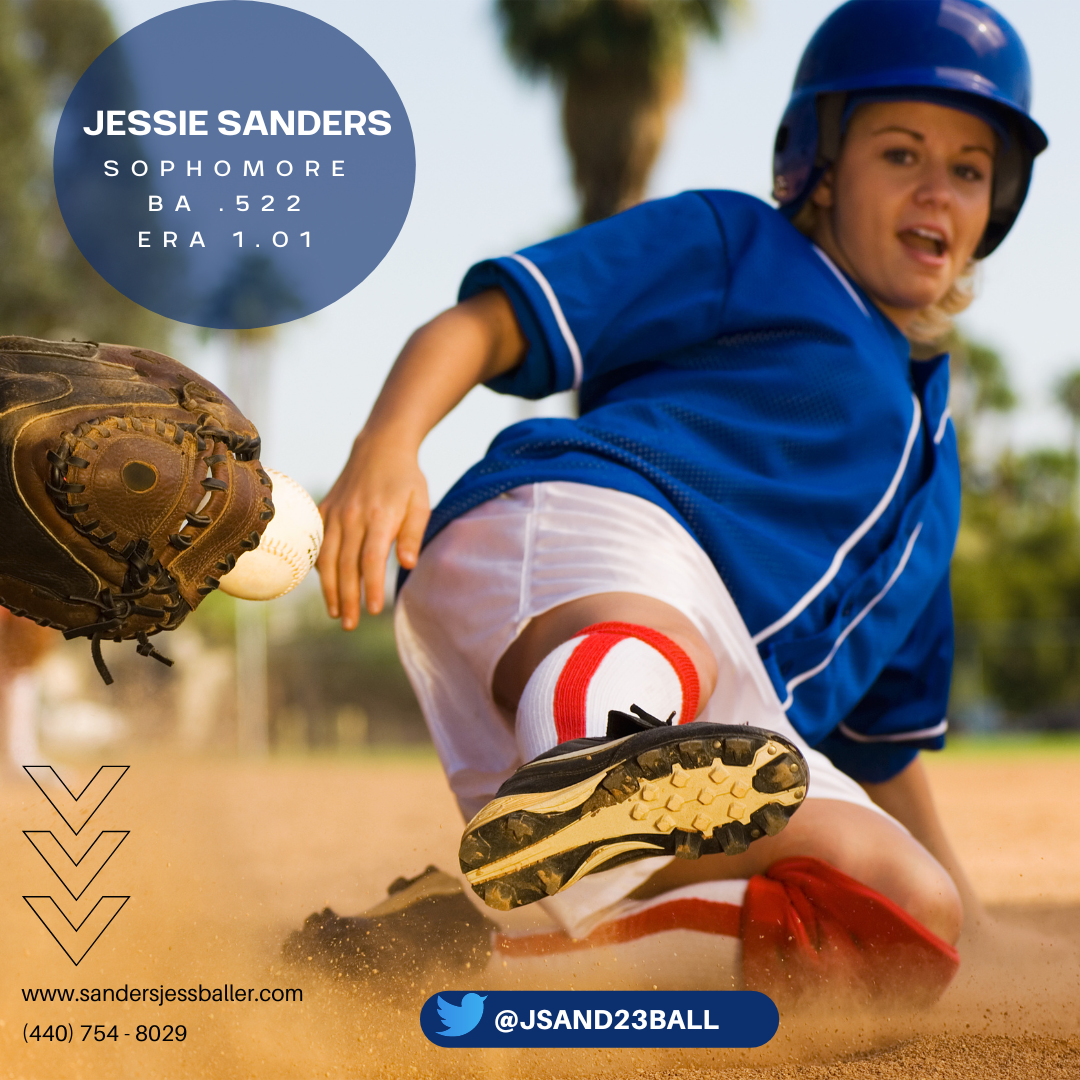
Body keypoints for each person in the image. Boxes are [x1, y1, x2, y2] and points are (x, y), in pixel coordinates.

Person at [304, 0, 1048, 1003]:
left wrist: (975, 921)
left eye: (969, 168)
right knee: (658, 656)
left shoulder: (935, 477)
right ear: (819, 167)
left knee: (897, 921)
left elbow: (884, 742)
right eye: (900, 152)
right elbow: (489, 324)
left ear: (996, 203)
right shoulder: (746, 243)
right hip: (587, 537)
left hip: (735, 722)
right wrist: (387, 444)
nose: (939, 189)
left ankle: (463, 961)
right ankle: (609, 762)